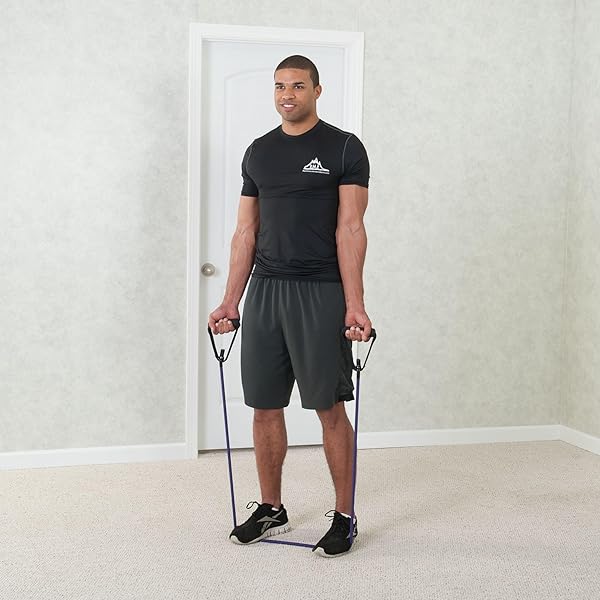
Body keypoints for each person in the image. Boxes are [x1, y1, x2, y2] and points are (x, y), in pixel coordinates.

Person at [208, 54, 372, 557]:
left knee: (329, 408)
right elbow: (245, 232)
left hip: (320, 290)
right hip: (266, 291)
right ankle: (271, 507)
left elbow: (351, 229)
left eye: (298, 86)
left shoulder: (343, 148)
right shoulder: (259, 152)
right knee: (263, 405)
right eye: (280, 86)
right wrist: (230, 300)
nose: (287, 95)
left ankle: (344, 516)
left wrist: (355, 304)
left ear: (317, 91)